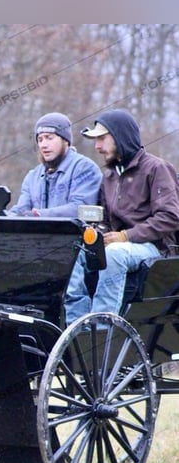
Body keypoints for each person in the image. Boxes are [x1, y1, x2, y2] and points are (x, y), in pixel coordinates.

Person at [64, 108, 179, 325]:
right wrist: (99, 234)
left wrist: (125, 236)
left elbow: (170, 217)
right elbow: (106, 222)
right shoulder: (109, 177)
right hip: (122, 245)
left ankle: (101, 330)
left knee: (115, 253)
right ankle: (75, 330)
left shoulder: (157, 168)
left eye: (102, 139)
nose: (97, 147)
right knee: (75, 250)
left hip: (155, 248)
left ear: (121, 137)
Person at [8, 112, 102, 217]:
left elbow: (80, 209)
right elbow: (21, 210)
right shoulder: (32, 177)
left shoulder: (85, 169)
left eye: (49, 138)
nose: (43, 145)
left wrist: (38, 215)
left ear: (65, 141)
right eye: (40, 139)